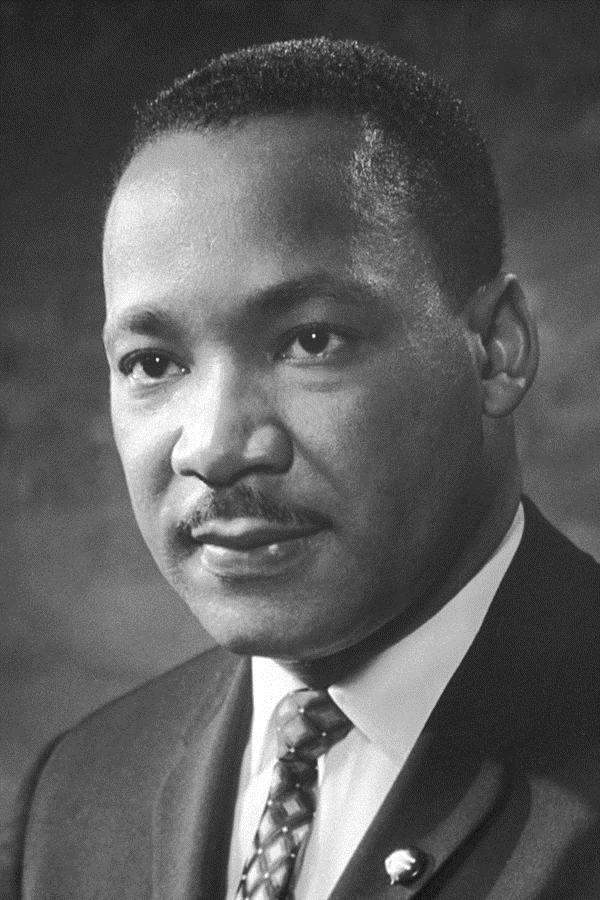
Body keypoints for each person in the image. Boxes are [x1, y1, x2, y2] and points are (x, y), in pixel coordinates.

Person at [7, 37, 600, 900]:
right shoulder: (80, 793)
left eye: (309, 341)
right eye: (152, 363)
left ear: (495, 351)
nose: (211, 447)